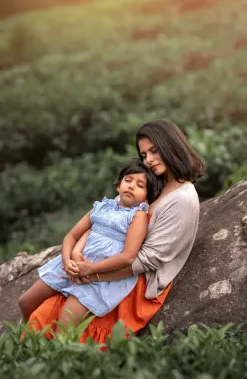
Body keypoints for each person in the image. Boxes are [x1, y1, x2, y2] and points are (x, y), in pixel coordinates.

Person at [21, 119, 205, 343]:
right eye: (144, 154)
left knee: (54, 317)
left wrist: (93, 274)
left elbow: (147, 260)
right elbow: (107, 219)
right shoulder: (150, 179)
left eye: (154, 151)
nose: (148, 160)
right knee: (38, 309)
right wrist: (79, 251)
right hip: (98, 263)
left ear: (171, 145)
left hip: (132, 278)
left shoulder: (183, 199)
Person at [18, 158, 163, 333]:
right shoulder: (101, 207)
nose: (131, 186)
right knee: (26, 302)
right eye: (128, 180)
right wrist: (66, 260)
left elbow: (128, 257)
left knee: (65, 324)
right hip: (73, 265)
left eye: (140, 185)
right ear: (118, 185)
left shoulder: (137, 216)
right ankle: (27, 340)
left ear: (147, 198)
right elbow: (71, 236)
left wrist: (91, 269)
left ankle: (57, 357)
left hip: (100, 277)